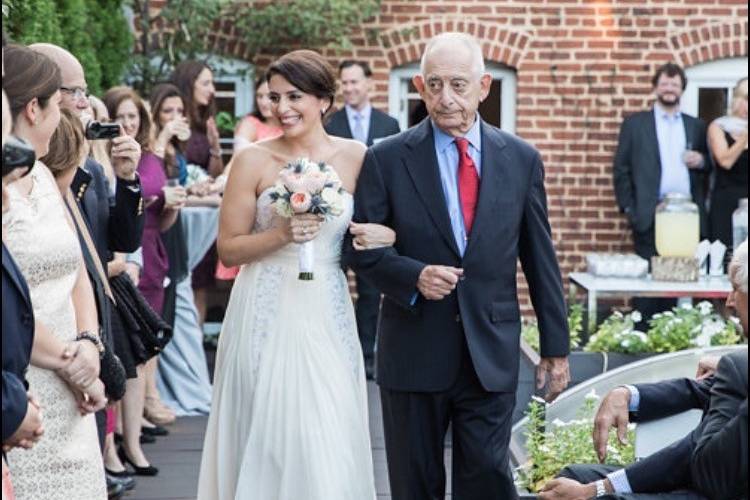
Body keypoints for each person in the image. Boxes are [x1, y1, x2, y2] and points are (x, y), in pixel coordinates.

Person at [344, 33, 571, 500]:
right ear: (420, 89)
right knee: (415, 485)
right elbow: (358, 251)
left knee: (487, 478)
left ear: (483, 87)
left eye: (458, 85)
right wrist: (413, 276)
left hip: (489, 350)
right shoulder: (386, 158)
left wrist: (557, 346)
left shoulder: (522, 160)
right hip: (413, 350)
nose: (445, 98)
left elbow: (539, 256)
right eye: (434, 84)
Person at [197, 49, 398, 500]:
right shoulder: (252, 160)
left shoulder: (358, 157)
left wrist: (382, 234)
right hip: (264, 301)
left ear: (325, 99)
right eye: (274, 98)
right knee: (270, 428)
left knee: (324, 424)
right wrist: (282, 234)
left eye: (295, 96)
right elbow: (229, 247)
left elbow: (384, 227)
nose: (282, 108)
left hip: (326, 303)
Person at [539, 239, 748, 500]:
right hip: (707, 473)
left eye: (734, 289)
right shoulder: (737, 365)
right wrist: (627, 394)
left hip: (715, 485)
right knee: (573, 476)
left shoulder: (737, 365)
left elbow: (698, 460)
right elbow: (699, 390)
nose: (728, 301)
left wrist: (598, 489)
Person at [3, 44, 107, 500]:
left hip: (76, 381)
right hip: (26, 381)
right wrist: (70, 363)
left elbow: (79, 271)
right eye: (56, 107)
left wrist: (89, 344)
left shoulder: (43, 176)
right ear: (32, 109)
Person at [104, 86, 186, 474]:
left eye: (134, 116)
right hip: (125, 256)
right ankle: (119, 435)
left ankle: (136, 427)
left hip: (151, 247)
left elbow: (158, 208)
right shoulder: (109, 158)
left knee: (146, 345)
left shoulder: (149, 156)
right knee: (127, 349)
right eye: (121, 116)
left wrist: (171, 207)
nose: (128, 123)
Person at [613, 63, 710, 322]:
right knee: (647, 283)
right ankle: (644, 334)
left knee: (677, 281)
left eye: (675, 85)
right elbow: (620, 168)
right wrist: (630, 209)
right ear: (656, 87)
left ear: (682, 89)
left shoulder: (696, 126)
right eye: (665, 84)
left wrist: (700, 160)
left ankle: (671, 335)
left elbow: (710, 165)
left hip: (685, 215)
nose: (669, 89)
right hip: (649, 211)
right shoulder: (635, 124)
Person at [325, 59, 402, 379]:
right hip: (335, 217)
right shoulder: (331, 124)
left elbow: (394, 174)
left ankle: (367, 354)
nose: (349, 88)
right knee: (332, 284)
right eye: (344, 83)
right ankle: (335, 353)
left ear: (369, 83)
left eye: (355, 82)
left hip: (372, 218)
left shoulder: (390, 125)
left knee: (371, 292)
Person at [171, 60, 221, 330]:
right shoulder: (174, 122)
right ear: (188, 83)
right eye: (206, 83)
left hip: (201, 215)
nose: (211, 89)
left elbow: (213, 174)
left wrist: (214, 148)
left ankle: (196, 345)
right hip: (178, 211)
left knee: (200, 284)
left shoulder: (205, 124)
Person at [708, 77, 748, 250]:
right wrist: (745, 136)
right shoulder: (719, 126)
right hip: (726, 205)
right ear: (737, 100)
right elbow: (725, 161)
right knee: (726, 257)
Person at [232, 72, 282, 153]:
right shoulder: (250, 124)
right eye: (260, 96)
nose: (263, 103)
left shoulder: (291, 127)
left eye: (270, 96)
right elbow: (239, 157)